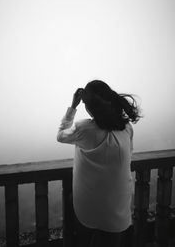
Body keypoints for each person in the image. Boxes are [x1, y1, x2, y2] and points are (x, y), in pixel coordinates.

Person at [57, 80, 141, 247]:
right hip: (117, 206)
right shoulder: (126, 129)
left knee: (82, 239)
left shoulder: (83, 129)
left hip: (87, 205)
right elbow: (128, 157)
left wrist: (73, 106)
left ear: (90, 107)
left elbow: (61, 135)